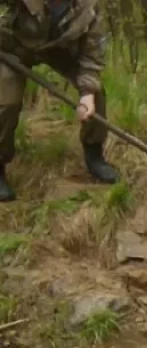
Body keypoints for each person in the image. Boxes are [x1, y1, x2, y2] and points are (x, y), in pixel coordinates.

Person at [0, 0, 119, 203]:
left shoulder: (88, 6)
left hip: (58, 49)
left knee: (95, 96)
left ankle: (94, 153)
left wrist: (87, 92)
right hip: (14, 45)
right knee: (6, 99)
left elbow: (92, 54)